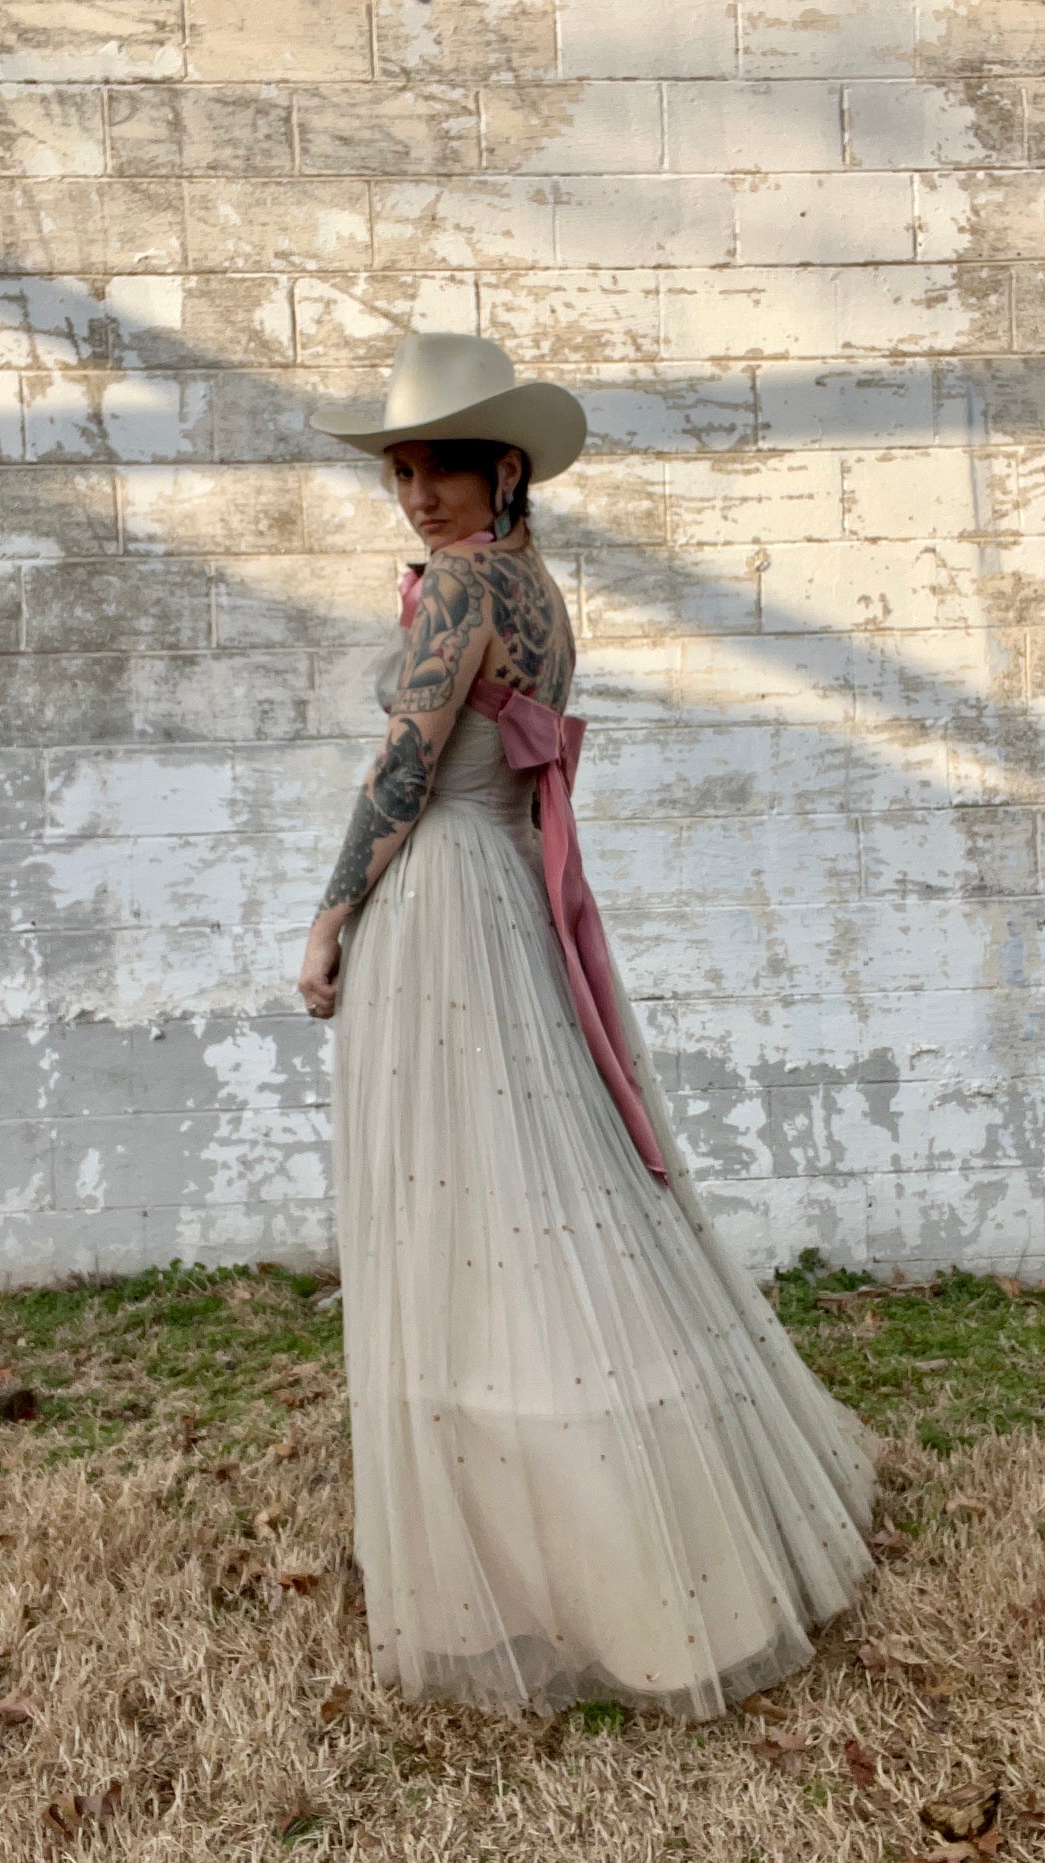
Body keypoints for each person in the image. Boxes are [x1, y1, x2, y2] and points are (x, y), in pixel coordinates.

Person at [296, 332, 877, 1723]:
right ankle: (585, 1525)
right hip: (505, 892)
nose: (415, 492)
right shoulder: (543, 592)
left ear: (504, 466)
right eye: (398, 468)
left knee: (488, 1218)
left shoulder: (461, 588)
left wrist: (327, 916)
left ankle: (553, 1563)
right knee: (545, 1202)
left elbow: (407, 766)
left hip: (446, 899)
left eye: (438, 463)